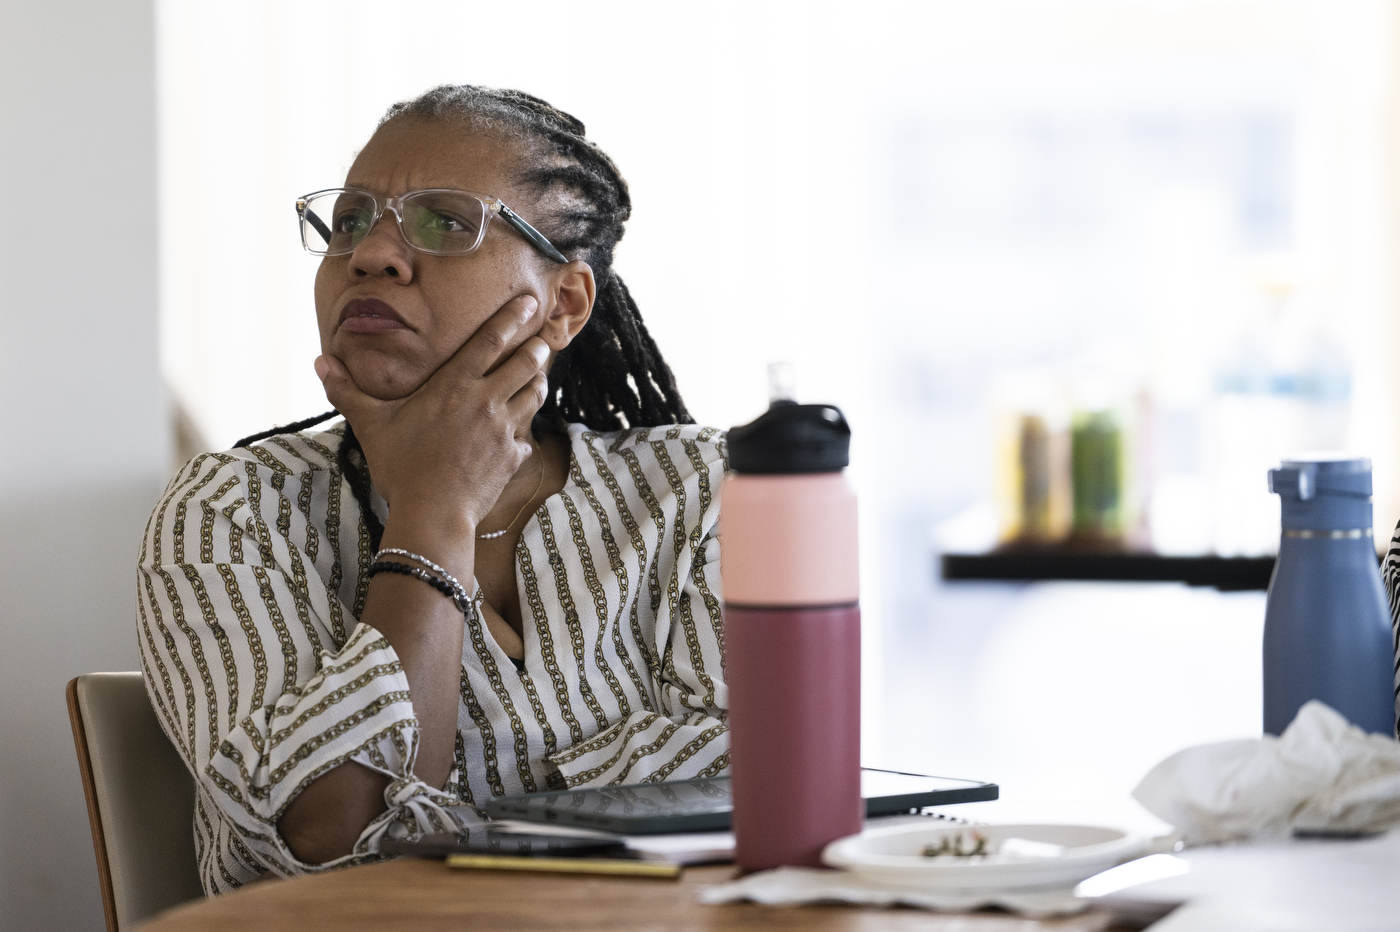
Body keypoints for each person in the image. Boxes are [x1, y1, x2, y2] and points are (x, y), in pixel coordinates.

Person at [137, 85, 729, 894]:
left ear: (563, 303)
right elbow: (334, 842)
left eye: (444, 222)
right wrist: (433, 511)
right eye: (349, 221)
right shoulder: (231, 510)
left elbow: (768, 782)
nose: (369, 255)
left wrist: (456, 815)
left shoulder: (700, 490)